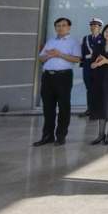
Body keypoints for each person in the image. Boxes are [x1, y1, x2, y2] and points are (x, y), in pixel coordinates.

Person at [33, 17, 81, 147]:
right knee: (48, 108)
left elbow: (76, 59)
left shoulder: (73, 42)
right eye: (58, 25)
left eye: (63, 25)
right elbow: (41, 58)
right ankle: (47, 136)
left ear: (69, 27)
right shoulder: (50, 41)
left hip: (63, 77)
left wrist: (59, 54)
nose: (60, 28)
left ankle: (60, 136)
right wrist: (50, 55)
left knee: (64, 107)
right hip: (48, 77)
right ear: (55, 27)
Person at [79, 17, 104, 118]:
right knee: (89, 88)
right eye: (92, 25)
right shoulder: (86, 38)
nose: (93, 27)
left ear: (100, 27)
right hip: (88, 66)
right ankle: (90, 109)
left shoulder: (104, 38)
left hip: (99, 66)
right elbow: (83, 52)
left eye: (96, 26)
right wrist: (83, 63)